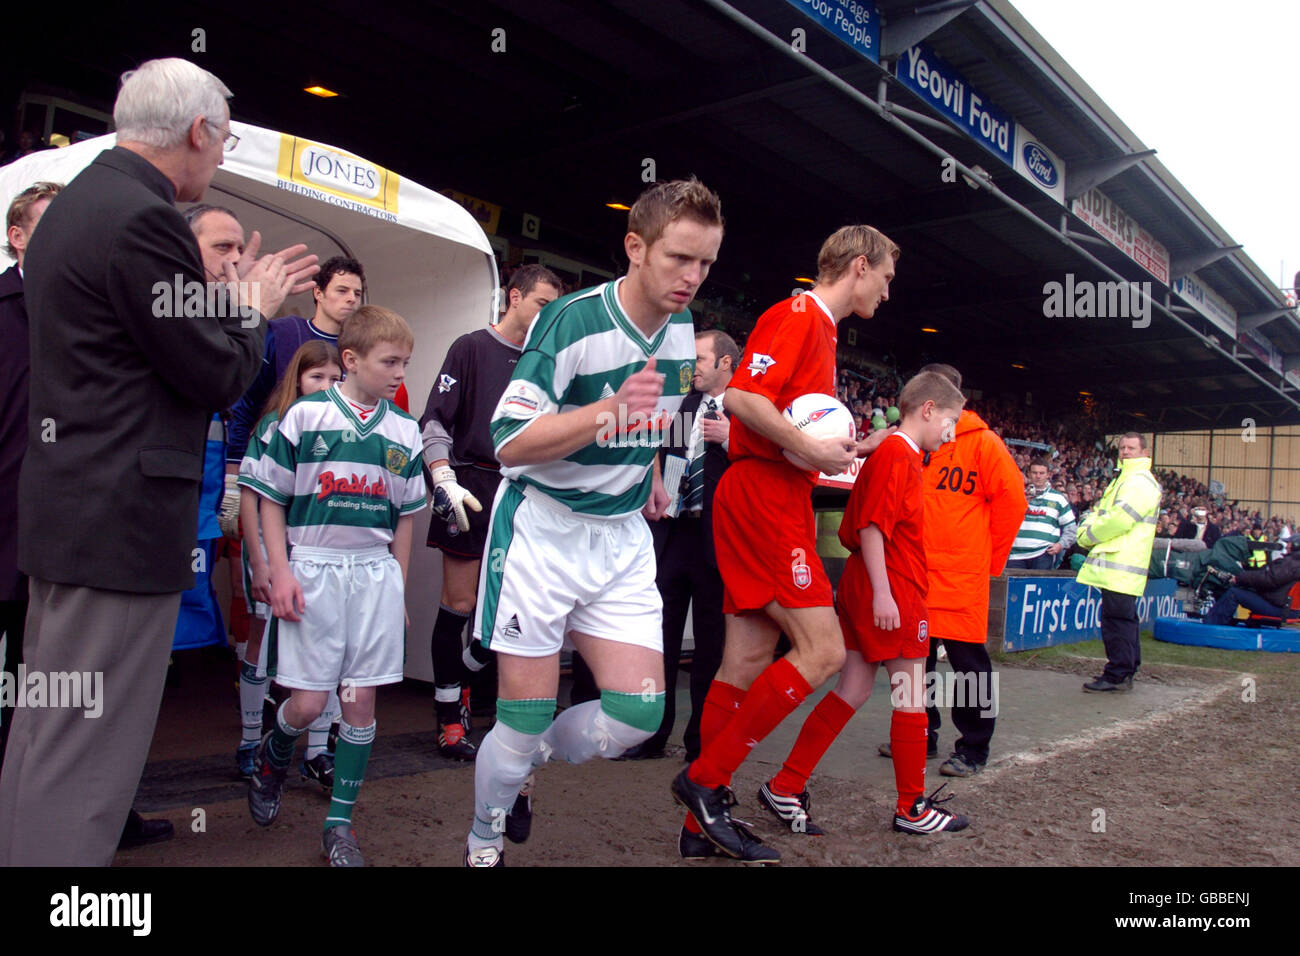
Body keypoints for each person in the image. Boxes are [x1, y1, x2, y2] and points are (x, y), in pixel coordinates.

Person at [0, 57, 316, 867]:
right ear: (199, 130)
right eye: (224, 139)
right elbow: (210, 373)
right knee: (88, 756)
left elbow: (138, 344)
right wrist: (249, 312)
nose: (219, 158)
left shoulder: (81, 206)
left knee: (48, 736)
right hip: (117, 523)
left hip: (75, 515)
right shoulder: (140, 219)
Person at [465, 178, 723, 867]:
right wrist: (605, 411)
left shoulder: (678, 332)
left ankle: (526, 766)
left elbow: (655, 423)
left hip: (620, 540)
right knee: (517, 721)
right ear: (635, 247)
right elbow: (509, 441)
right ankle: (485, 834)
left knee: (638, 715)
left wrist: (651, 481)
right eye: (678, 259)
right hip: (542, 531)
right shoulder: (571, 319)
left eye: (704, 264)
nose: (691, 278)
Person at [670, 224, 899, 865]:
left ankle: (698, 828)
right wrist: (807, 449)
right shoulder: (800, 312)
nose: (887, 290)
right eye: (885, 276)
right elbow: (742, 398)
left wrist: (839, 450)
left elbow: (786, 422)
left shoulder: (821, 328)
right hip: (765, 496)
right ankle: (705, 782)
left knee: (744, 661)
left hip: (771, 489)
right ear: (860, 265)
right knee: (823, 651)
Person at [243, 305, 427, 867]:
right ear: (351, 359)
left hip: (372, 574)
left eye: (406, 362)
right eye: (389, 361)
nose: (400, 373)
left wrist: (397, 587)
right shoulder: (304, 416)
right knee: (305, 704)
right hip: (313, 569)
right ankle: (274, 755)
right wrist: (278, 570)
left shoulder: (404, 430)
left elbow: (405, 519)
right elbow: (270, 499)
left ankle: (340, 825)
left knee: (361, 702)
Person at [759, 372, 970, 836]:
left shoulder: (897, 451)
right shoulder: (899, 453)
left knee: (852, 690)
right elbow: (873, 527)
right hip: (892, 586)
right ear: (928, 410)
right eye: (950, 421)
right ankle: (911, 808)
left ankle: (786, 784)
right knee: (912, 698)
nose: (951, 432)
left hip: (873, 584)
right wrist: (884, 594)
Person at [419, 263, 561, 760]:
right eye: (542, 303)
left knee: (508, 609)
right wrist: (443, 478)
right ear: (515, 296)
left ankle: (492, 710)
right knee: (458, 604)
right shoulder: (471, 347)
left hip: (524, 489)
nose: (548, 314)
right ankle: (448, 717)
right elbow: (433, 420)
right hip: (471, 483)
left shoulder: (549, 360)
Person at [898, 364, 1026, 777]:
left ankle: (974, 748)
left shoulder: (983, 443)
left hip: (959, 577)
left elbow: (1012, 502)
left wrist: (989, 562)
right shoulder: (916, 443)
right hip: (918, 572)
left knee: (969, 664)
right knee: (918, 662)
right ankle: (922, 734)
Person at [621, 328, 739, 761]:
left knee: (711, 647)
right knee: (661, 641)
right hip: (672, 535)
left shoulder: (744, 410)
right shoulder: (683, 405)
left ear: (725, 363)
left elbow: (765, 460)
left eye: (701, 359)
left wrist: (731, 437)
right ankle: (652, 735)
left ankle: (701, 743)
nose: (693, 368)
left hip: (717, 543)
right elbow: (661, 451)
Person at [235, 342, 343, 780]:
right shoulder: (275, 424)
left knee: (327, 644)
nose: (326, 387)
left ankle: (317, 751)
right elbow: (249, 496)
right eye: (317, 377)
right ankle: (247, 741)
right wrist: (260, 564)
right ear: (297, 378)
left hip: (316, 556)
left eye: (335, 379)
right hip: (269, 550)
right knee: (260, 642)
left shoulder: (344, 427)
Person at [223, 254, 370, 530]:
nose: (351, 298)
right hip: (276, 470)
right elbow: (245, 404)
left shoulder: (363, 352)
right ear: (318, 293)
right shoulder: (282, 333)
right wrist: (233, 476)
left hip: (335, 484)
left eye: (357, 293)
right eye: (342, 290)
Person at [1077, 433, 1161, 693]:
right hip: (1121, 564)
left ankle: (1117, 674)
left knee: (1117, 622)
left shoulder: (1138, 481)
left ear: (1144, 452)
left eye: (1131, 448)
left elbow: (1119, 519)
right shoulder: (1128, 479)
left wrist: (1086, 535)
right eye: (1122, 447)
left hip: (1121, 563)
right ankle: (1125, 669)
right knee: (1123, 620)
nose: (1125, 451)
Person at [1006, 457, 1076, 570]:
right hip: (1015, 554)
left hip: (1043, 554)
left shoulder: (1058, 498)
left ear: (1048, 474)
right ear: (1028, 473)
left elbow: (1071, 527)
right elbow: (1003, 520)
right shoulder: (1016, 494)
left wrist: (1061, 545)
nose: (1038, 476)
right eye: (1034, 473)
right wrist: (1021, 503)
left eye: (1041, 473)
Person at [1202, 547, 1300, 625]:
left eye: (1289, 544)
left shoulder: (1291, 563)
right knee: (1243, 590)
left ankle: (1212, 626)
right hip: (1288, 609)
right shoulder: (1294, 563)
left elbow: (1268, 579)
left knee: (1234, 593)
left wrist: (1240, 578)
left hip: (1281, 610)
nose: (1286, 546)